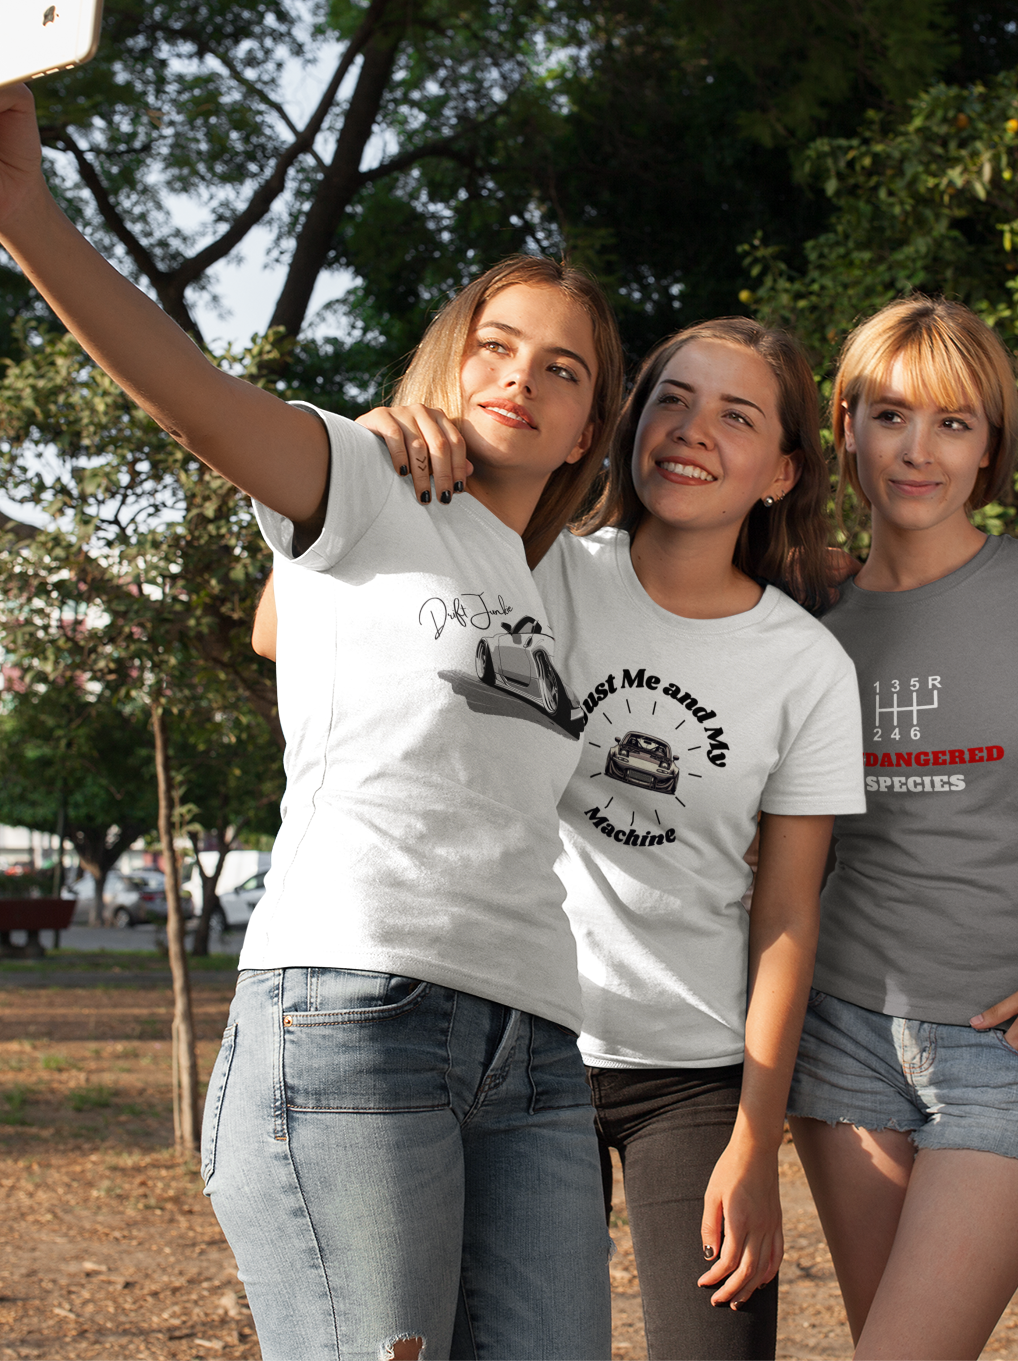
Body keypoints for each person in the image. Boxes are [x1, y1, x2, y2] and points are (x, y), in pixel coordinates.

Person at [0, 0, 629, 1359]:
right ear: (449, 357)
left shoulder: (557, 583)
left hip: (536, 1043)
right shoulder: (361, 475)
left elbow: (278, 628)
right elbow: (185, 386)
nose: (521, 379)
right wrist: (16, 208)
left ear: (591, 420)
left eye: (565, 370)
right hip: (357, 1016)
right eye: (494, 345)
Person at [328, 318, 865, 1360]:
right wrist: (379, 456)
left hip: (695, 1073)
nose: (692, 430)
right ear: (625, 423)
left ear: (780, 469)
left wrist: (759, 1139)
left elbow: (789, 912)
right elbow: (292, 624)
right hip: (520, 1047)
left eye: (736, 415)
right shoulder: (538, 568)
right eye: (672, 397)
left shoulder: (806, 666)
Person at [784, 296, 1018, 1361]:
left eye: (953, 422)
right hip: (845, 1029)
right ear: (845, 424)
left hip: (1013, 1043)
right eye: (890, 415)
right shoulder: (808, 621)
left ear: (991, 445)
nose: (917, 451)